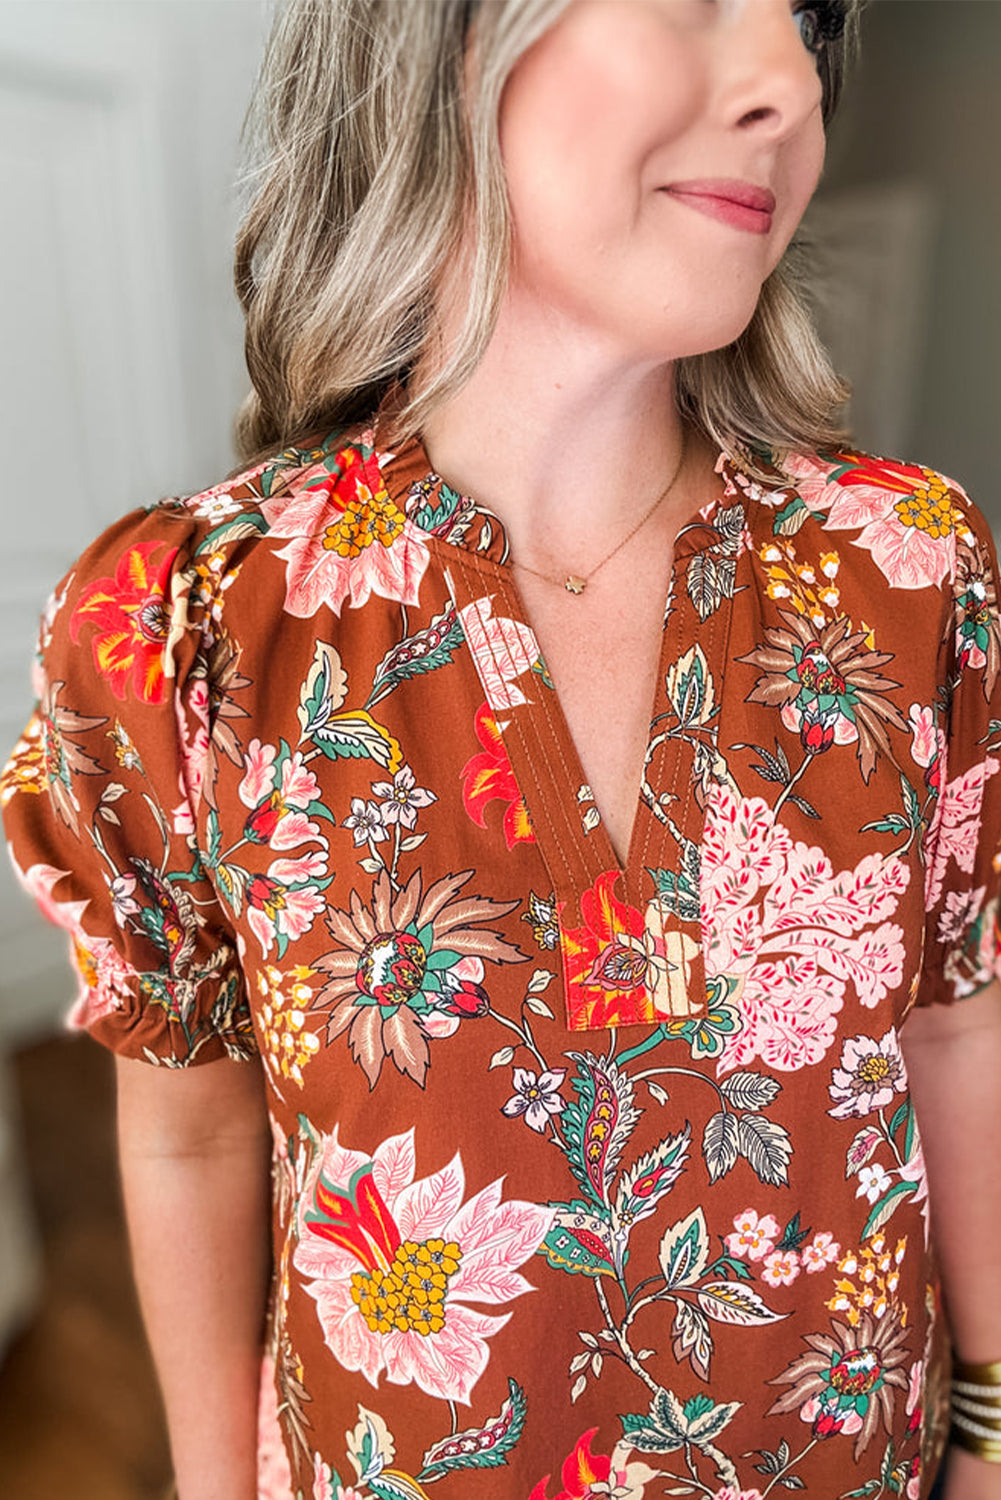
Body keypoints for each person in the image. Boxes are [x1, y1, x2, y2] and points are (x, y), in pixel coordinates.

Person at [2, 0, 1000, 1496]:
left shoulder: (903, 572)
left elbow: (954, 1026)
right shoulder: (186, 629)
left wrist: (989, 1425)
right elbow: (194, 1127)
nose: (790, 84)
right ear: (444, 40)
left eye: (803, 21)